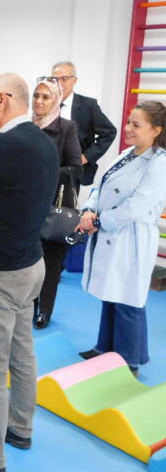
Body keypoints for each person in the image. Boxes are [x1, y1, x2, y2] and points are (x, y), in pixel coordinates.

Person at [0, 73, 59, 472]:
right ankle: (21, 429)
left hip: (1, 275)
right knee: (23, 355)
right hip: (32, 266)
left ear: (1, 100)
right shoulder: (43, 141)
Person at [75, 101, 166, 376]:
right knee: (110, 294)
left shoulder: (159, 164)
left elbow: (135, 207)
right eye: (128, 122)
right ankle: (105, 349)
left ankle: (129, 361)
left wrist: (99, 221)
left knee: (127, 298)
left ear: (156, 130)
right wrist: (89, 210)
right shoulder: (127, 154)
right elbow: (100, 187)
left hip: (131, 237)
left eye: (136, 125)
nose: (127, 128)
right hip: (110, 232)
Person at [32, 78, 83, 329]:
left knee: (50, 263)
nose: (39, 101)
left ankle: (45, 310)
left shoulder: (67, 128)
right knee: (28, 260)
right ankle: (29, 306)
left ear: (56, 101)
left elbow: (76, 169)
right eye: (36, 95)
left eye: (46, 97)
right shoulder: (26, 127)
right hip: (27, 205)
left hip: (53, 205)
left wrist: (44, 171)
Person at [51, 61, 117, 186]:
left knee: (65, 199)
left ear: (74, 80)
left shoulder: (88, 105)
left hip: (72, 171)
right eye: (55, 79)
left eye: (64, 79)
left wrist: (86, 157)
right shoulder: (46, 103)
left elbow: (109, 132)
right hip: (48, 168)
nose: (59, 83)